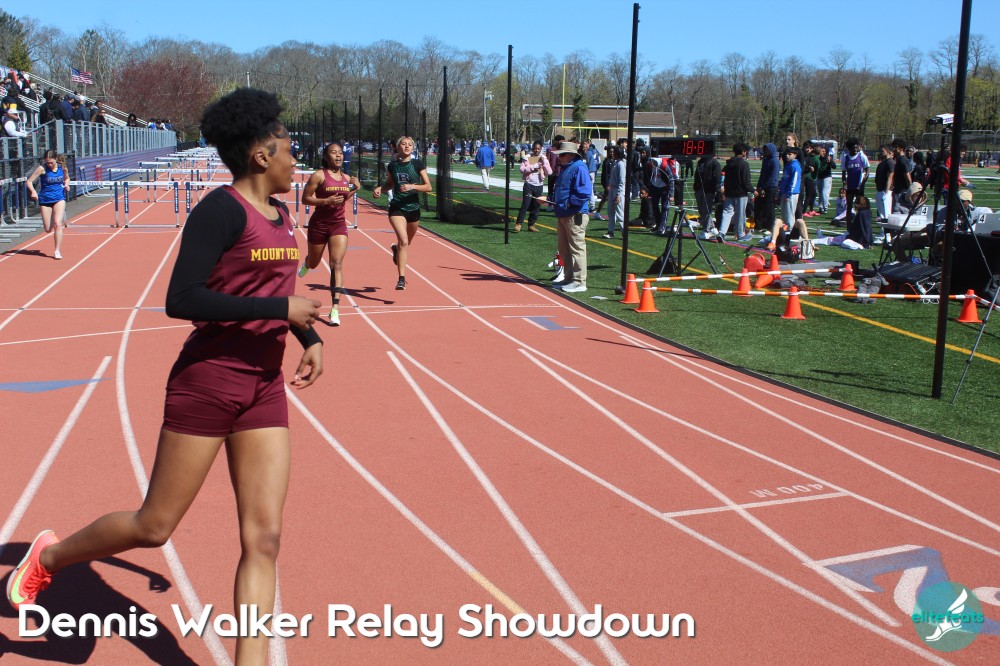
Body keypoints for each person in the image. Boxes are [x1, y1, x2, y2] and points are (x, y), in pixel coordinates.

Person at [4, 88, 324, 666]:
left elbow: (273, 290)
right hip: (208, 383)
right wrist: (283, 310)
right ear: (260, 156)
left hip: (263, 386)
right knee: (154, 527)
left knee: (264, 539)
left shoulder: (282, 217)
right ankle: (48, 558)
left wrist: (308, 337)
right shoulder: (220, 211)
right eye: (287, 149)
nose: (294, 159)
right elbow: (183, 299)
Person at [298, 141, 361, 325]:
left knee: (337, 264)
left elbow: (342, 199)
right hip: (319, 225)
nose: (338, 155)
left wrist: (355, 188)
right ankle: (307, 263)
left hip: (338, 225)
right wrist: (325, 201)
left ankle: (335, 309)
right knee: (315, 262)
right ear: (326, 157)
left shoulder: (346, 178)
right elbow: (305, 199)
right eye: (334, 153)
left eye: (340, 152)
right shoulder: (319, 176)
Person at [373, 136, 432, 291]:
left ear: (413, 148)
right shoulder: (393, 165)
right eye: (403, 144)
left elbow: (428, 187)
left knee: (406, 243)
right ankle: (401, 279)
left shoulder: (417, 164)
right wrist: (380, 189)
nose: (406, 146)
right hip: (397, 207)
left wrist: (412, 186)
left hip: (413, 208)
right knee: (403, 241)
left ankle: (396, 250)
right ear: (398, 148)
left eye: (409, 144)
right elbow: (389, 184)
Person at [544, 141, 592, 293]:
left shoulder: (579, 168)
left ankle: (579, 282)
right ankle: (569, 278)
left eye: (563, 155)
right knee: (564, 249)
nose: (560, 157)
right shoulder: (567, 168)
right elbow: (560, 190)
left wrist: (568, 204)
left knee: (577, 248)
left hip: (574, 214)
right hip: (563, 213)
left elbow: (584, 192)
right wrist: (550, 199)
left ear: (571, 155)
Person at [24, 150, 70, 259]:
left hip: (59, 198)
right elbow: (29, 181)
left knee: (58, 224)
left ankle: (57, 251)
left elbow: (67, 178)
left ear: (56, 159)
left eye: (51, 162)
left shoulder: (62, 167)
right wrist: (33, 191)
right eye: (47, 162)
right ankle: (53, 218)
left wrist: (67, 185)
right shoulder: (42, 168)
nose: (49, 165)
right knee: (48, 229)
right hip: (45, 200)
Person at [718, 142, 752, 242]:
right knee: (740, 214)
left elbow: (723, 177)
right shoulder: (744, 164)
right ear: (743, 152)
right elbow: (746, 181)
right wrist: (753, 190)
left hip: (729, 192)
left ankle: (722, 232)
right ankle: (740, 234)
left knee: (727, 213)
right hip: (740, 193)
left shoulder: (728, 164)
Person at [515, 140, 550, 233]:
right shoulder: (527, 158)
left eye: (538, 149)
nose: (536, 150)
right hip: (529, 184)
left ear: (541, 149)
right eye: (535, 148)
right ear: (532, 148)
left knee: (536, 205)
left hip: (539, 185)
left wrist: (544, 163)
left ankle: (531, 224)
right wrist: (534, 166)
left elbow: (549, 172)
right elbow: (522, 169)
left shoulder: (544, 158)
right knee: (525, 204)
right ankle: (519, 223)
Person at [840, 138, 870, 231]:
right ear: (849, 148)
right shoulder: (845, 158)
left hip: (859, 187)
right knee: (849, 207)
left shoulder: (862, 156)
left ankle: (861, 226)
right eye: (854, 148)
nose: (856, 149)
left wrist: (863, 183)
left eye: (857, 147)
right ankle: (849, 228)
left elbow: (867, 170)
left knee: (861, 207)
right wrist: (844, 183)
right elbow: (843, 173)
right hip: (850, 186)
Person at [694, 151, 722, 239]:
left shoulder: (714, 163)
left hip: (709, 190)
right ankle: (712, 227)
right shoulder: (700, 162)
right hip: (699, 188)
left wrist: (717, 190)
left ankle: (706, 230)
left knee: (706, 210)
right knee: (701, 210)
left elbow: (717, 177)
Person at [603, 145, 626, 239]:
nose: (612, 154)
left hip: (617, 190)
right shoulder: (616, 162)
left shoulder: (621, 164)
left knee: (619, 213)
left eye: (614, 152)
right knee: (611, 212)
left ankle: (624, 232)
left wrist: (618, 194)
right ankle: (610, 232)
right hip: (612, 189)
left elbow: (622, 180)